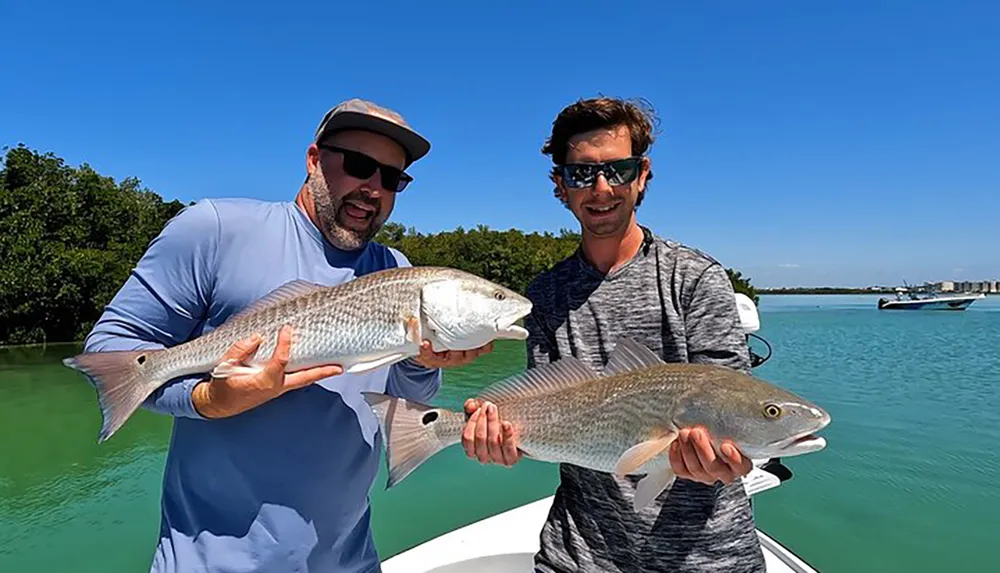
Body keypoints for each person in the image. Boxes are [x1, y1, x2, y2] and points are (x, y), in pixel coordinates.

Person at [82, 98, 499, 573]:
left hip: (352, 560)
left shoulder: (395, 269)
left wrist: (421, 362)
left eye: (392, 178)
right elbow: (113, 348)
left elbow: (401, 400)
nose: (374, 189)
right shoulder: (215, 228)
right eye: (360, 165)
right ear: (314, 159)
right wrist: (206, 399)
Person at [468, 96, 765, 572]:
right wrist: (500, 442)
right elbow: (546, 414)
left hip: (707, 558)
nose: (601, 188)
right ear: (560, 185)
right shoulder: (545, 294)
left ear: (642, 174)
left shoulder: (695, 279)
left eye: (618, 170)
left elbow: (732, 403)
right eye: (582, 174)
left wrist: (727, 457)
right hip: (579, 555)